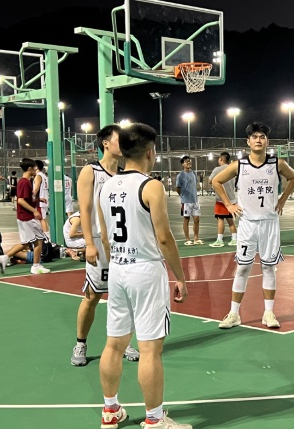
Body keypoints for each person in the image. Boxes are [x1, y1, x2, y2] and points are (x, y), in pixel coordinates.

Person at [97, 122, 190, 429]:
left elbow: (105, 237)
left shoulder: (106, 186)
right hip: (146, 271)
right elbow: (164, 238)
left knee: (114, 344)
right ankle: (154, 419)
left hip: (118, 269)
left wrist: (118, 262)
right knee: (150, 349)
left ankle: (110, 410)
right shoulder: (151, 186)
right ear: (151, 152)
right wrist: (180, 277)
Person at [213, 122, 294, 329]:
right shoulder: (239, 165)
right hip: (247, 224)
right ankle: (234, 314)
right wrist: (228, 204)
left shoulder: (277, 164)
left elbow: (293, 178)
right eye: (254, 137)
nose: (258, 140)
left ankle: (268, 313)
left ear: (267, 141)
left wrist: (282, 200)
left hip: (269, 223)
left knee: (269, 267)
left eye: (262, 137)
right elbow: (216, 181)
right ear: (248, 141)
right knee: (242, 268)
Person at [71, 124, 140, 366]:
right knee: (92, 296)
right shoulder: (90, 171)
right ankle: (80, 343)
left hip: (122, 245)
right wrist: (89, 244)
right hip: (99, 246)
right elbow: (85, 210)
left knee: (125, 296)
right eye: (119, 139)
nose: (124, 143)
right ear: (106, 144)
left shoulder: (125, 175)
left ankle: (123, 342)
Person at [0, 158, 50, 275]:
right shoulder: (24, 182)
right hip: (27, 217)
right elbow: (21, 200)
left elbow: (27, 198)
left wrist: (38, 199)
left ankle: (5, 257)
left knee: (26, 242)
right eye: (34, 168)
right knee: (39, 240)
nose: (36, 170)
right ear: (29, 168)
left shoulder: (26, 181)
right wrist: (34, 210)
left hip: (24, 217)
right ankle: (36, 266)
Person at [208, 151, 238, 247]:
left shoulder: (218, 169)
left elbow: (210, 181)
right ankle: (234, 239)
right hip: (232, 199)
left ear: (221, 159)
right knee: (230, 221)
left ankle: (219, 240)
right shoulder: (232, 168)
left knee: (220, 219)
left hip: (221, 199)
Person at [175, 156, 203, 246]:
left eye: (189, 161)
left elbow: (195, 184)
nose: (188, 163)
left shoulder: (193, 173)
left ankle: (196, 238)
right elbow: (178, 188)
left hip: (195, 200)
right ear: (182, 164)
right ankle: (187, 239)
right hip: (186, 201)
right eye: (186, 162)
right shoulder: (180, 175)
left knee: (196, 219)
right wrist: (182, 196)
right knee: (186, 219)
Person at [33, 159, 50, 239]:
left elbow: (36, 189)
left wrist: (31, 196)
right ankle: (46, 236)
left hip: (40, 202)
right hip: (44, 200)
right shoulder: (44, 176)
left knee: (41, 219)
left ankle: (47, 237)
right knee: (43, 219)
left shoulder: (38, 176)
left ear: (36, 167)